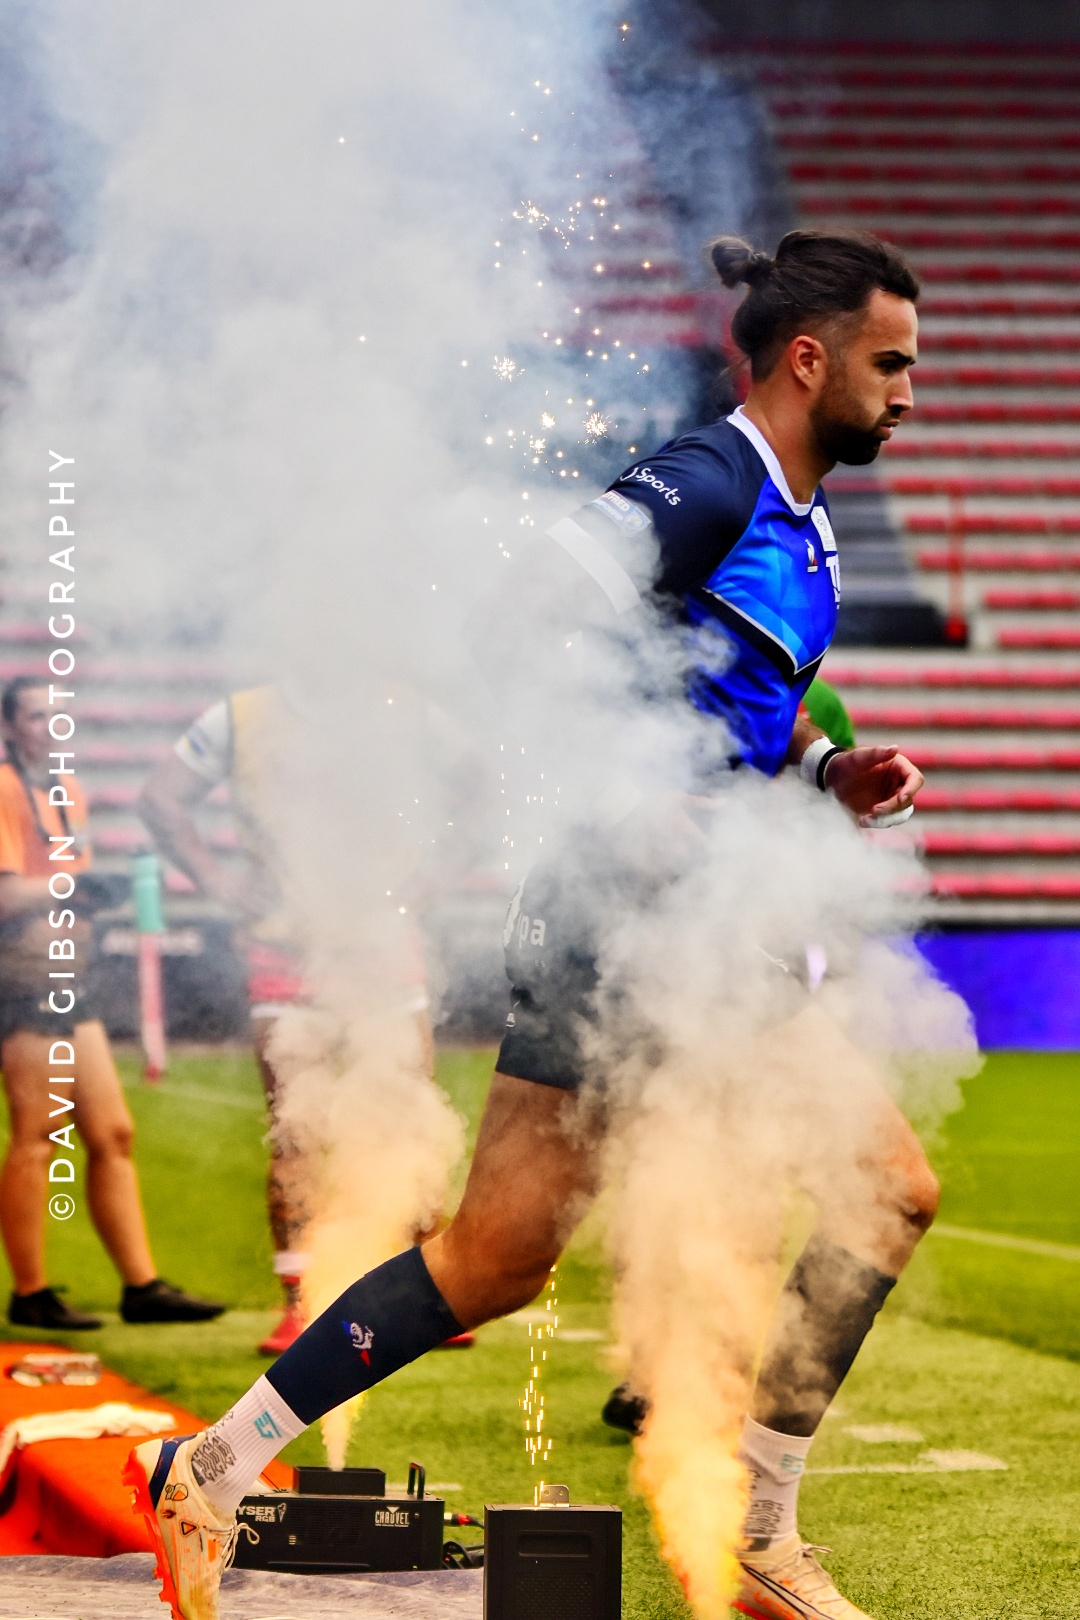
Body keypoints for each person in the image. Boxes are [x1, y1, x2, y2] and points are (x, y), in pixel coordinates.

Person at [126, 230, 936, 1620]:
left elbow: (720, 704)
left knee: (493, 1257)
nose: (909, 392)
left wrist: (822, 770)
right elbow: (509, 628)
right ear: (810, 359)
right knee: (888, 1190)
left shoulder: (798, 520)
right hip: (645, 920)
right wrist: (616, 799)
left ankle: (208, 1467)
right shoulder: (708, 480)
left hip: (621, 919)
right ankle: (759, 1529)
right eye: (891, 363)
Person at [139, 684, 473, 1356]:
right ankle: (300, 1304)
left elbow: (480, 787)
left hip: (381, 947)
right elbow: (160, 799)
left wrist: (441, 873)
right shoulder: (242, 716)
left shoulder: (406, 709)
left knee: (408, 1116)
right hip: (286, 948)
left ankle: (424, 1299)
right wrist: (215, 880)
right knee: (294, 1130)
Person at [0, 676, 224, 1330]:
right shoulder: (6, 789)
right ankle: (30, 1293)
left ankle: (141, 1287)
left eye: (58, 715)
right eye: (35, 716)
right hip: (22, 976)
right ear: (11, 729)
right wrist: (77, 887)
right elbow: (7, 896)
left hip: (70, 974)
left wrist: (96, 892)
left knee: (112, 1132)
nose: (50, 727)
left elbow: (67, 885)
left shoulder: (68, 792)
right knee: (37, 1135)